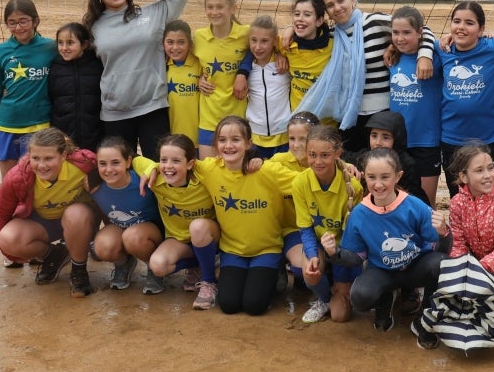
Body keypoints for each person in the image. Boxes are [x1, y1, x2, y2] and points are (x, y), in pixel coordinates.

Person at [322, 147, 447, 347]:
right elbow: (355, 257)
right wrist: (333, 253)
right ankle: (385, 298)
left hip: (415, 268)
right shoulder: (359, 214)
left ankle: (425, 317)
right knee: (360, 297)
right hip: (382, 271)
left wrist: (443, 230)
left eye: (385, 177)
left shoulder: (415, 205)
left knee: (441, 264)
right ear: (364, 177)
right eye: (371, 177)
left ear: (398, 176)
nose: (378, 184)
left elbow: (436, 245)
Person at [297, 0, 434, 153]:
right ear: (326, 11)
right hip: (348, 115)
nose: (337, 8)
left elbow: (421, 28)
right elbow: (305, 35)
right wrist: (290, 30)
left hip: (381, 114)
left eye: (341, 0)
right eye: (330, 5)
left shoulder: (373, 22)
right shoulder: (332, 36)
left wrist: (424, 56)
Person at [190, 115, 297, 315]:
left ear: (248, 143)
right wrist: (148, 168)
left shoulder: (268, 170)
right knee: (229, 305)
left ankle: (277, 271)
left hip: (267, 249)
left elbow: (307, 181)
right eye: (222, 140)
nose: (228, 146)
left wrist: (345, 168)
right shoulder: (209, 168)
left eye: (235, 140)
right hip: (233, 250)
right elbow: (177, 164)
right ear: (215, 144)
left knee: (254, 306)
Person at [82, 0, 191, 158]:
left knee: (158, 170)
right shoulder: (93, 28)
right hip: (115, 111)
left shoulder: (152, 15)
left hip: (153, 106)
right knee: (122, 172)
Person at [0, 127, 99, 296]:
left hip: (78, 223)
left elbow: (116, 165)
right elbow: (0, 213)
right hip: (42, 223)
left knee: (76, 214)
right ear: (28, 156)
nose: (41, 165)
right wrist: (10, 253)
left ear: (64, 155)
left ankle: (79, 271)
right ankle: (54, 255)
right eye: (36, 158)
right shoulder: (18, 176)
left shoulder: (84, 163)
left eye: (49, 158)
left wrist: (96, 178)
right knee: (7, 238)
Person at [438, 1, 494, 195]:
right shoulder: (443, 50)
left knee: (489, 197)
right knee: (459, 198)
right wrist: (423, 56)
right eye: (456, 21)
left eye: (469, 23)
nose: (461, 27)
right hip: (452, 140)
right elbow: (419, 37)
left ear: (481, 29)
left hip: (489, 139)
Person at [447, 140, 494, 328]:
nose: (488, 175)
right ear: (463, 176)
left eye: (490, 168)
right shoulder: (457, 202)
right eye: (479, 170)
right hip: (476, 262)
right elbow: (458, 243)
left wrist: (482, 268)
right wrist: (462, 270)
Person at [133, 133, 219, 298]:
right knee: (157, 266)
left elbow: (226, 163)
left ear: (190, 164)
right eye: (164, 160)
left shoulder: (204, 175)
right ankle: (198, 265)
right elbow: (135, 159)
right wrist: (150, 167)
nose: (168, 166)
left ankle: (209, 281)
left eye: (176, 161)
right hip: (179, 240)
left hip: (210, 236)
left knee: (198, 227)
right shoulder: (156, 178)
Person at [292, 124, 362, 324]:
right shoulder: (300, 183)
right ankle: (323, 299)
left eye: (325, 155)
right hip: (318, 245)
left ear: (338, 154)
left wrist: (337, 256)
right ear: (306, 153)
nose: (317, 161)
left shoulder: (353, 187)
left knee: (340, 316)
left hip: (343, 251)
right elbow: (305, 229)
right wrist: (313, 256)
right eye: (312, 155)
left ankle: (339, 290)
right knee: (310, 272)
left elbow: (354, 236)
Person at [0, 0, 55, 179]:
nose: (18, 27)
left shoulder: (51, 47)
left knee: (39, 182)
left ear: (35, 20)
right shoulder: (0, 51)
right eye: (12, 23)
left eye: (23, 21)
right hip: (7, 125)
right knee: (10, 182)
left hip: (40, 126)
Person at [89, 136, 164, 294]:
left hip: (152, 233)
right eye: (103, 164)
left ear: (128, 162)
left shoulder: (144, 181)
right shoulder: (94, 187)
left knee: (133, 237)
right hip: (120, 228)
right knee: (102, 245)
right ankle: (124, 263)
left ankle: (153, 267)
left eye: (116, 162)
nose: (109, 169)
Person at [387, 6, 442, 203]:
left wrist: (426, 53)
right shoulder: (393, 57)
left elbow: (433, 38)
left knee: (426, 203)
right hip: (399, 142)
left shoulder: (435, 55)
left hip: (426, 142)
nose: (400, 38)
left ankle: (431, 235)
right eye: (395, 33)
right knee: (399, 200)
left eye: (406, 33)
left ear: (419, 33)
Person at [193, 0, 249, 158]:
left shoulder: (246, 34)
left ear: (233, 8)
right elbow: (189, 66)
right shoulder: (198, 37)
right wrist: (199, 79)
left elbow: (269, 47)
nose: (214, 12)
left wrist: (242, 73)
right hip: (209, 118)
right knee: (209, 173)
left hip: (237, 118)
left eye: (220, 7)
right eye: (210, 7)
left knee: (235, 175)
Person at [48, 22, 103, 153]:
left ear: (84, 44)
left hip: (94, 135)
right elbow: (51, 99)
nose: (64, 47)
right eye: (60, 43)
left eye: (70, 42)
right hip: (64, 137)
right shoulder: (55, 67)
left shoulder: (97, 65)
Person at [243, 14, 292, 158]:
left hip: (283, 136)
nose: (258, 47)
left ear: (274, 41)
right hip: (255, 137)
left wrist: (279, 53)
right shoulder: (245, 68)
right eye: (254, 40)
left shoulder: (284, 65)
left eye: (264, 41)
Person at [284, 0, 332, 115]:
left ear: (319, 21)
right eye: (297, 14)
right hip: (298, 121)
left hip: (325, 122)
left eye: (307, 14)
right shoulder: (286, 45)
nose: (300, 18)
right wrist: (279, 55)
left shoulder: (334, 46)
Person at [162, 20, 201, 139]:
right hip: (173, 139)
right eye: (170, 42)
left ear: (190, 44)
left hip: (200, 138)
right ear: (163, 43)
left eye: (181, 42)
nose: (175, 47)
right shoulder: (160, 67)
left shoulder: (201, 65)